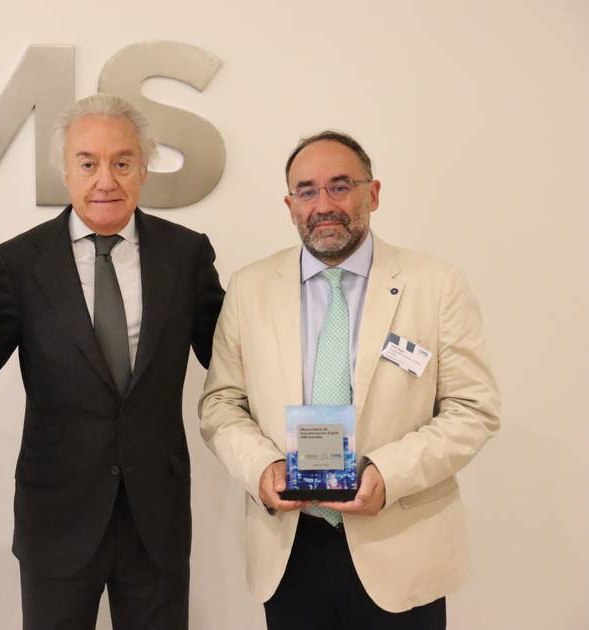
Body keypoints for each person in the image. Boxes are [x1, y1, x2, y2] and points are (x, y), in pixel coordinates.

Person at [199, 130, 500, 629]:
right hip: (290, 548)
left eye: (341, 186)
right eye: (307, 190)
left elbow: (474, 409)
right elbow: (221, 403)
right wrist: (264, 467)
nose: (324, 204)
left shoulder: (435, 285)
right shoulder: (250, 289)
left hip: (401, 544)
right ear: (290, 204)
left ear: (373, 194)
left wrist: (389, 472)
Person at [0, 93, 224, 630]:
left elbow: (234, 362)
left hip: (154, 518)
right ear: (65, 172)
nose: (105, 180)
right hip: (56, 517)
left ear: (143, 169)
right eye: (88, 164)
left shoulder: (186, 256)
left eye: (122, 162)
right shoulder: (20, 262)